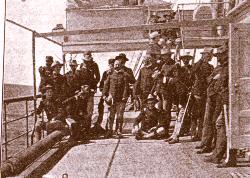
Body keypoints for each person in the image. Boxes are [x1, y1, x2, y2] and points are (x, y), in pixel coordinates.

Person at [190, 47, 214, 141]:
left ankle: (200, 134)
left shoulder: (211, 67)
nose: (210, 57)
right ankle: (194, 133)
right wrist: (201, 60)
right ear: (204, 56)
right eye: (208, 55)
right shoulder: (198, 65)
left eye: (210, 56)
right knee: (196, 113)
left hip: (205, 92)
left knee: (203, 114)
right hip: (198, 92)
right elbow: (193, 72)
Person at [165, 63, 191, 144]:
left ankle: (176, 137)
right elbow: (174, 93)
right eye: (174, 71)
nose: (175, 73)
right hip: (179, 102)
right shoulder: (175, 80)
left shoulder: (179, 80)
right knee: (177, 119)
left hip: (183, 102)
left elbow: (182, 93)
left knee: (180, 119)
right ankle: (173, 135)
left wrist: (179, 103)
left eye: (176, 71)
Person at [103, 60, 129, 138]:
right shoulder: (110, 74)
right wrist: (104, 95)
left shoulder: (124, 75)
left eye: (118, 64)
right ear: (113, 65)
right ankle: (109, 131)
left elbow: (126, 87)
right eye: (115, 64)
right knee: (111, 116)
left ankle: (118, 131)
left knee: (119, 116)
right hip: (112, 99)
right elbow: (106, 86)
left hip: (120, 99)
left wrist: (125, 96)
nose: (117, 66)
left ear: (121, 65)